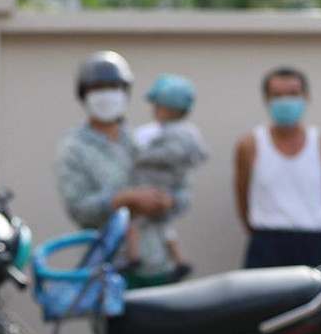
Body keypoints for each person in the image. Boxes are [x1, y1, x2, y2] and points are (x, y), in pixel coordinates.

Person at [56, 51, 179, 284]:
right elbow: (78, 208)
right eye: (98, 87)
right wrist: (123, 199)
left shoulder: (141, 140)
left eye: (113, 87)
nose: (107, 95)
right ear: (84, 94)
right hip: (110, 269)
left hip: (159, 263)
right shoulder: (74, 148)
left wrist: (166, 200)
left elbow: (181, 191)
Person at [234, 66, 321, 269]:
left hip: (314, 243)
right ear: (266, 99)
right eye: (277, 95)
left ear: (306, 97)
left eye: (293, 94)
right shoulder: (250, 144)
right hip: (267, 243)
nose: (285, 101)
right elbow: (242, 195)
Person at [125, 73, 209, 283]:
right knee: (164, 227)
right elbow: (201, 155)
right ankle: (180, 260)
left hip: (156, 185)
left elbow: (172, 154)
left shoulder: (173, 134)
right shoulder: (188, 132)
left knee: (135, 221)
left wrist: (143, 158)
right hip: (167, 187)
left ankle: (133, 257)